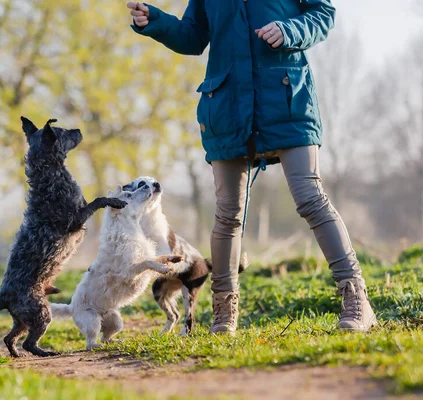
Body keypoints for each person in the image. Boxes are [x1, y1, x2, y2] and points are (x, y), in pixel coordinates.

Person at [127, 0, 376, 334]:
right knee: (228, 213)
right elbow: (194, 35)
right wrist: (154, 21)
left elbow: (323, 14)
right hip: (226, 104)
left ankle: (355, 298)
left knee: (309, 197)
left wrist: (290, 30)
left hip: (286, 100)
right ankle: (224, 312)